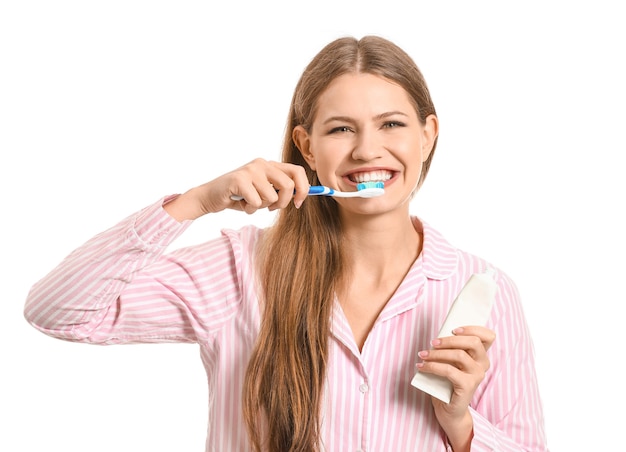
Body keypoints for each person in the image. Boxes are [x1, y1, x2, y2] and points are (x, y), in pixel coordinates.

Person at [24, 35, 548, 452]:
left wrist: (460, 425)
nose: (369, 149)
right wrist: (196, 201)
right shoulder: (237, 271)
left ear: (428, 134)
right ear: (307, 148)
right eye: (342, 129)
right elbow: (59, 311)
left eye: (392, 124)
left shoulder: (487, 293)